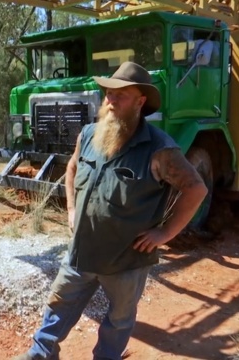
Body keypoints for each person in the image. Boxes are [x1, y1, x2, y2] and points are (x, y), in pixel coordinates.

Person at [13, 62, 208, 360]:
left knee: (118, 321)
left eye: (121, 95)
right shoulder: (89, 134)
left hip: (126, 259)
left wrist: (164, 233)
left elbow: (196, 188)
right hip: (82, 251)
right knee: (59, 304)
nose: (110, 100)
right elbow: (73, 167)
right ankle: (41, 354)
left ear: (140, 102)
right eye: (108, 93)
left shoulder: (160, 149)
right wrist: (71, 210)